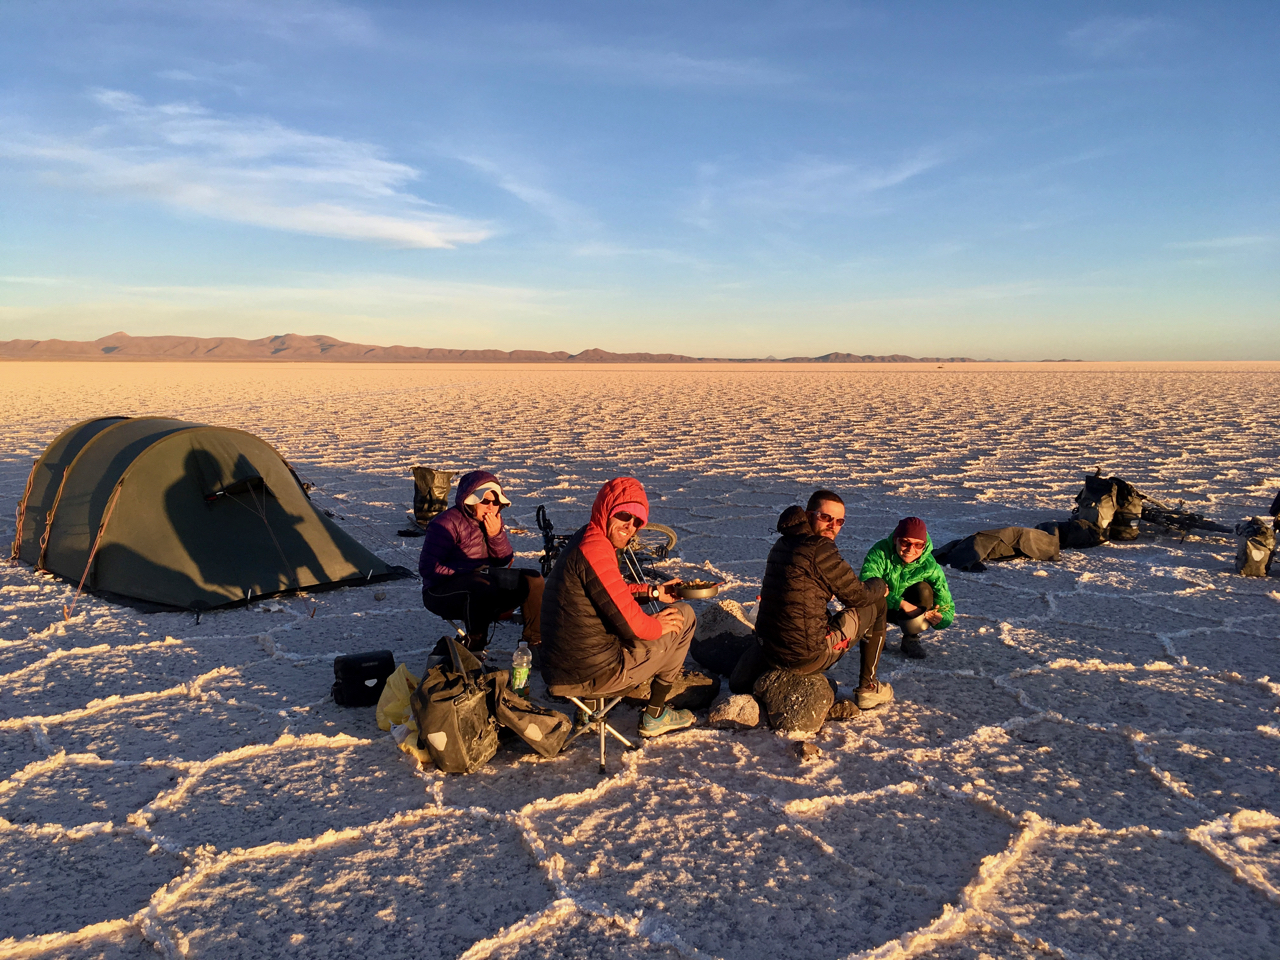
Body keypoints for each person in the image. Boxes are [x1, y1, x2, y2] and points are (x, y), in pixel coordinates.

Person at [539, 476, 696, 738]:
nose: (630, 526)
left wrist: (654, 592)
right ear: (607, 510)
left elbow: (610, 593)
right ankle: (655, 715)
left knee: (602, 626)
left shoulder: (587, 537)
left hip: (562, 667)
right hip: (593, 674)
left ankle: (589, 710)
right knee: (685, 616)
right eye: (624, 515)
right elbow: (635, 627)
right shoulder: (596, 550)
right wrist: (657, 626)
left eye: (637, 522)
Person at [755, 489, 893, 711]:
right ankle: (869, 687)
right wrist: (879, 585)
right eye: (826, 517)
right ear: (809, 515)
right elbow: (857, 596)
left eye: (839, 521)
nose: (832, 525)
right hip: (805, 658)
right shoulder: (819, 547)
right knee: (876, 603)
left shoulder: (783, 543)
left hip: (769, 651)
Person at [419, 470, 543, 655]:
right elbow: (428, 568)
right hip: (440, 592)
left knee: (532, 579)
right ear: (470, 500)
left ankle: (534, 643)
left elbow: (503, 559)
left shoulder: (493, 521)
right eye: (485, 501)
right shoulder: (445, 524)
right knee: (481, 586)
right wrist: (472, 570)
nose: (491, 507)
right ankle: (475, 648)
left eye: (496, 502)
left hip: (484, 581)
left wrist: (495, 535)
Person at [859, 517, 955, 660]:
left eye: (918, 545)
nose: (911, 549)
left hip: (910, 614)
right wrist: (902, 604)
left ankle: (911, 637)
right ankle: (874, 632)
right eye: (905, 542)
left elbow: (946, 605)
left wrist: (940, 618)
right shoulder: (880, 552)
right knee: (874, 587)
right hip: (881, 606)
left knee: (924, 589)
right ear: (895, 540)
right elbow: (866, 586)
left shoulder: (930, 566)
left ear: (924, 545)